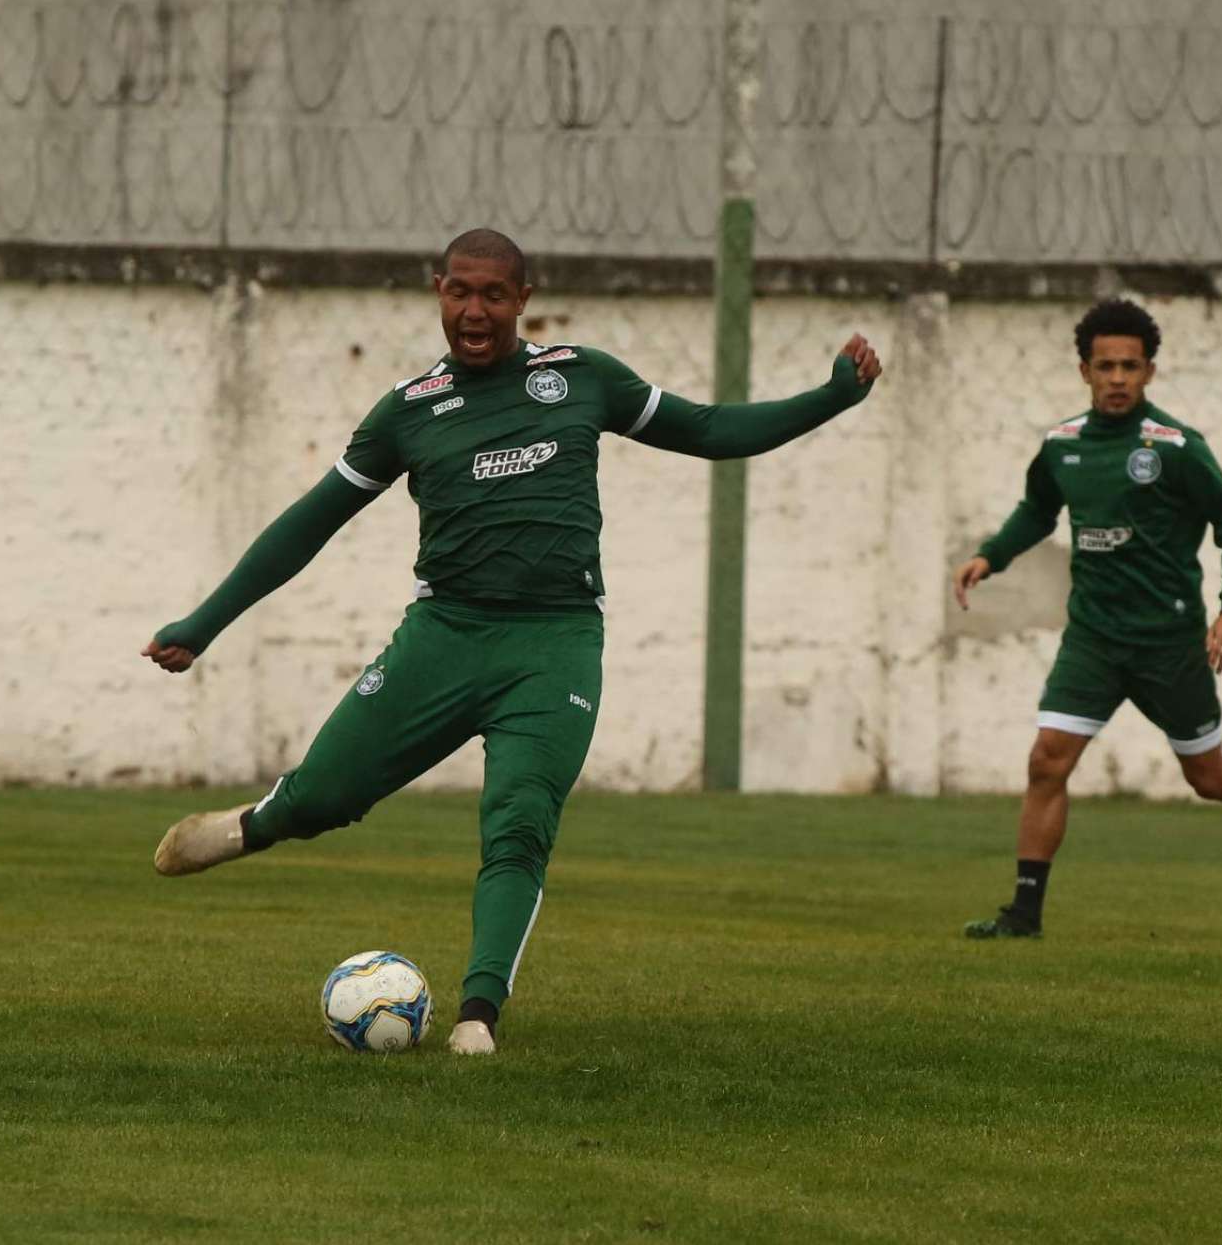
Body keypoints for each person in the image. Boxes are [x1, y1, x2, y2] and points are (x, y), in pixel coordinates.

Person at [143, 227, 884, 1052]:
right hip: (445, 635)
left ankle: (476, 1016)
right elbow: (309, 523)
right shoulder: (407, 411)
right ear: (438, 290)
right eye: (459, 291)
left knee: (518, 821)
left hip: (554, 644)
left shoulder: (581, 378)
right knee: (324, 797)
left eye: (493, 294)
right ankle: (253, 825)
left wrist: (832, 397)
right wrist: (201, 625)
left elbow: (710, 429)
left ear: (522, 300)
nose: (474, 310)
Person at [953, 298, 1222, 940]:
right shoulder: (1063, 446)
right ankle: (1023, 914)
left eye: (1131, 365)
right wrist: (990, 555)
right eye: (1106, 366)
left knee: (1208, 778)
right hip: (1094, 640)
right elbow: (1037, 511)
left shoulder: (1177, 447)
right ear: (1084, 370)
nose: (1118, 378)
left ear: (1150, 372)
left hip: (1169, 642)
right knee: (1047, 761)